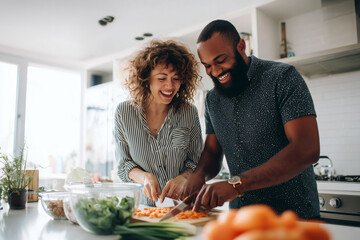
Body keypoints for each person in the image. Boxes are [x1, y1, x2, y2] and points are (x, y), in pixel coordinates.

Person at [180, 19, 320, 219]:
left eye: (220, 60)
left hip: (293, 215)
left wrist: (236, 184)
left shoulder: (282, 77)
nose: (215, 71)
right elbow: (212, 151)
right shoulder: (212, 99)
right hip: (241, 218)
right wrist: (198, 175)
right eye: (207, 66)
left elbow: (307, 148)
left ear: (241, 46)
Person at [114, 39, 203, 206]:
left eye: (176, 78)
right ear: (146, 78)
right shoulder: (124, 113)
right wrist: (144, 177)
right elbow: (123, 164)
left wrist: (184, 177)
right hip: (143, 208)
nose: (170, 86)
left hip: (182, 207)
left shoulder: (189, 112)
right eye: (162, 78)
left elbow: (197, 161)